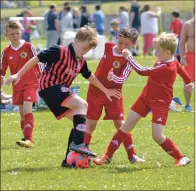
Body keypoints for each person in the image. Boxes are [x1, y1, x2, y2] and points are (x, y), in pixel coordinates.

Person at [5, 26, 121, 167]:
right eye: (84, 48)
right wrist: (18, 74)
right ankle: (79, 143)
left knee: (79, 120)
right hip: (49, 87)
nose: (85, 52)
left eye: (88, 51)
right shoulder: (59, 51)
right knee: (83, 105)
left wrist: (105, 90)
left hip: (59, 91)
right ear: (76, 41)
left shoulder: (81, 60)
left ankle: (68, 161)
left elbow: (89, 76)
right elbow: (36, 59)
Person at [93, 33, 194, 167]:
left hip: (160, 103)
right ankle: (107, 156)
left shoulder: (166, 67)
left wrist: (129, 56)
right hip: (145, 98)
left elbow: (141, 70)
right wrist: (188, 82)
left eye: (158, 50)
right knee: (126, 126)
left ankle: (181, 157)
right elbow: (182, 71)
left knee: (157, 136)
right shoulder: (167, 60)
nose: (155, 52)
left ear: (168, 52)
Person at [84, 27, 145, 164]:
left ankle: (132, 155)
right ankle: (83, 154)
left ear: (133, 45)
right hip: (95, 91)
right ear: (117, 38)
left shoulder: (129, 60)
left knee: (120, 124)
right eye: (121, 42)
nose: (122, 46)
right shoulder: (108, 46)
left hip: (114, 93)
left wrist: (112, 78)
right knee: (91, 124)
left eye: (127, 44)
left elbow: (122, 79)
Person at [1, 20, 41, 148]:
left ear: (21, 32)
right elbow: (2, 69)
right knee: (22, 113)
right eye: (12, 34)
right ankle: (25, 137)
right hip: (17, 85)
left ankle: (29, 139)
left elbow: (38, 63)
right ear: (6, 34)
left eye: (17, 33)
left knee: (28, 109)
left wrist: (42, 78)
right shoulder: (6, 52)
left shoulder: (28, 46)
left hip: (30, 83)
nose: (15, 36)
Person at [180, 16, 195, 112]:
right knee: (188, 82)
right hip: (191, 56)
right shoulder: (188, 24)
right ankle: (188, 105)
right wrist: (182, 57)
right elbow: (182, 42)